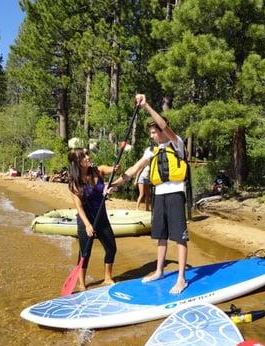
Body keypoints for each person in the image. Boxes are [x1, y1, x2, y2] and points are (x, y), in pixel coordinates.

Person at [108, 94, 189, 294]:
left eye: (154, 132)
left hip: (175, 193)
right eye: (151, 132)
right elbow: (133, 170)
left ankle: (181, 278)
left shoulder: (176, 143)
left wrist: (146, 106)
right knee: (160, 236)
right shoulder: (151, 151)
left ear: (162, 131)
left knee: (179, 237)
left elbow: (163, 124)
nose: (152, 135)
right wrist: (114, 185)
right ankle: (160, 270)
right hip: (159, 195)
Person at [67, 148, 117, 291]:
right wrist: (88, 225)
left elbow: (112, 170)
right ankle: (81, 283)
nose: (88, 157)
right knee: (85, 253)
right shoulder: (74, 183)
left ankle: (107, 278)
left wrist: (116, 169)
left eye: (87, 154)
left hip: (101, 217)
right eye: (84, 156)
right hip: (85, 220)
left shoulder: (97, 171)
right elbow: (79, 208)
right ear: (77, 162)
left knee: (111, 248)